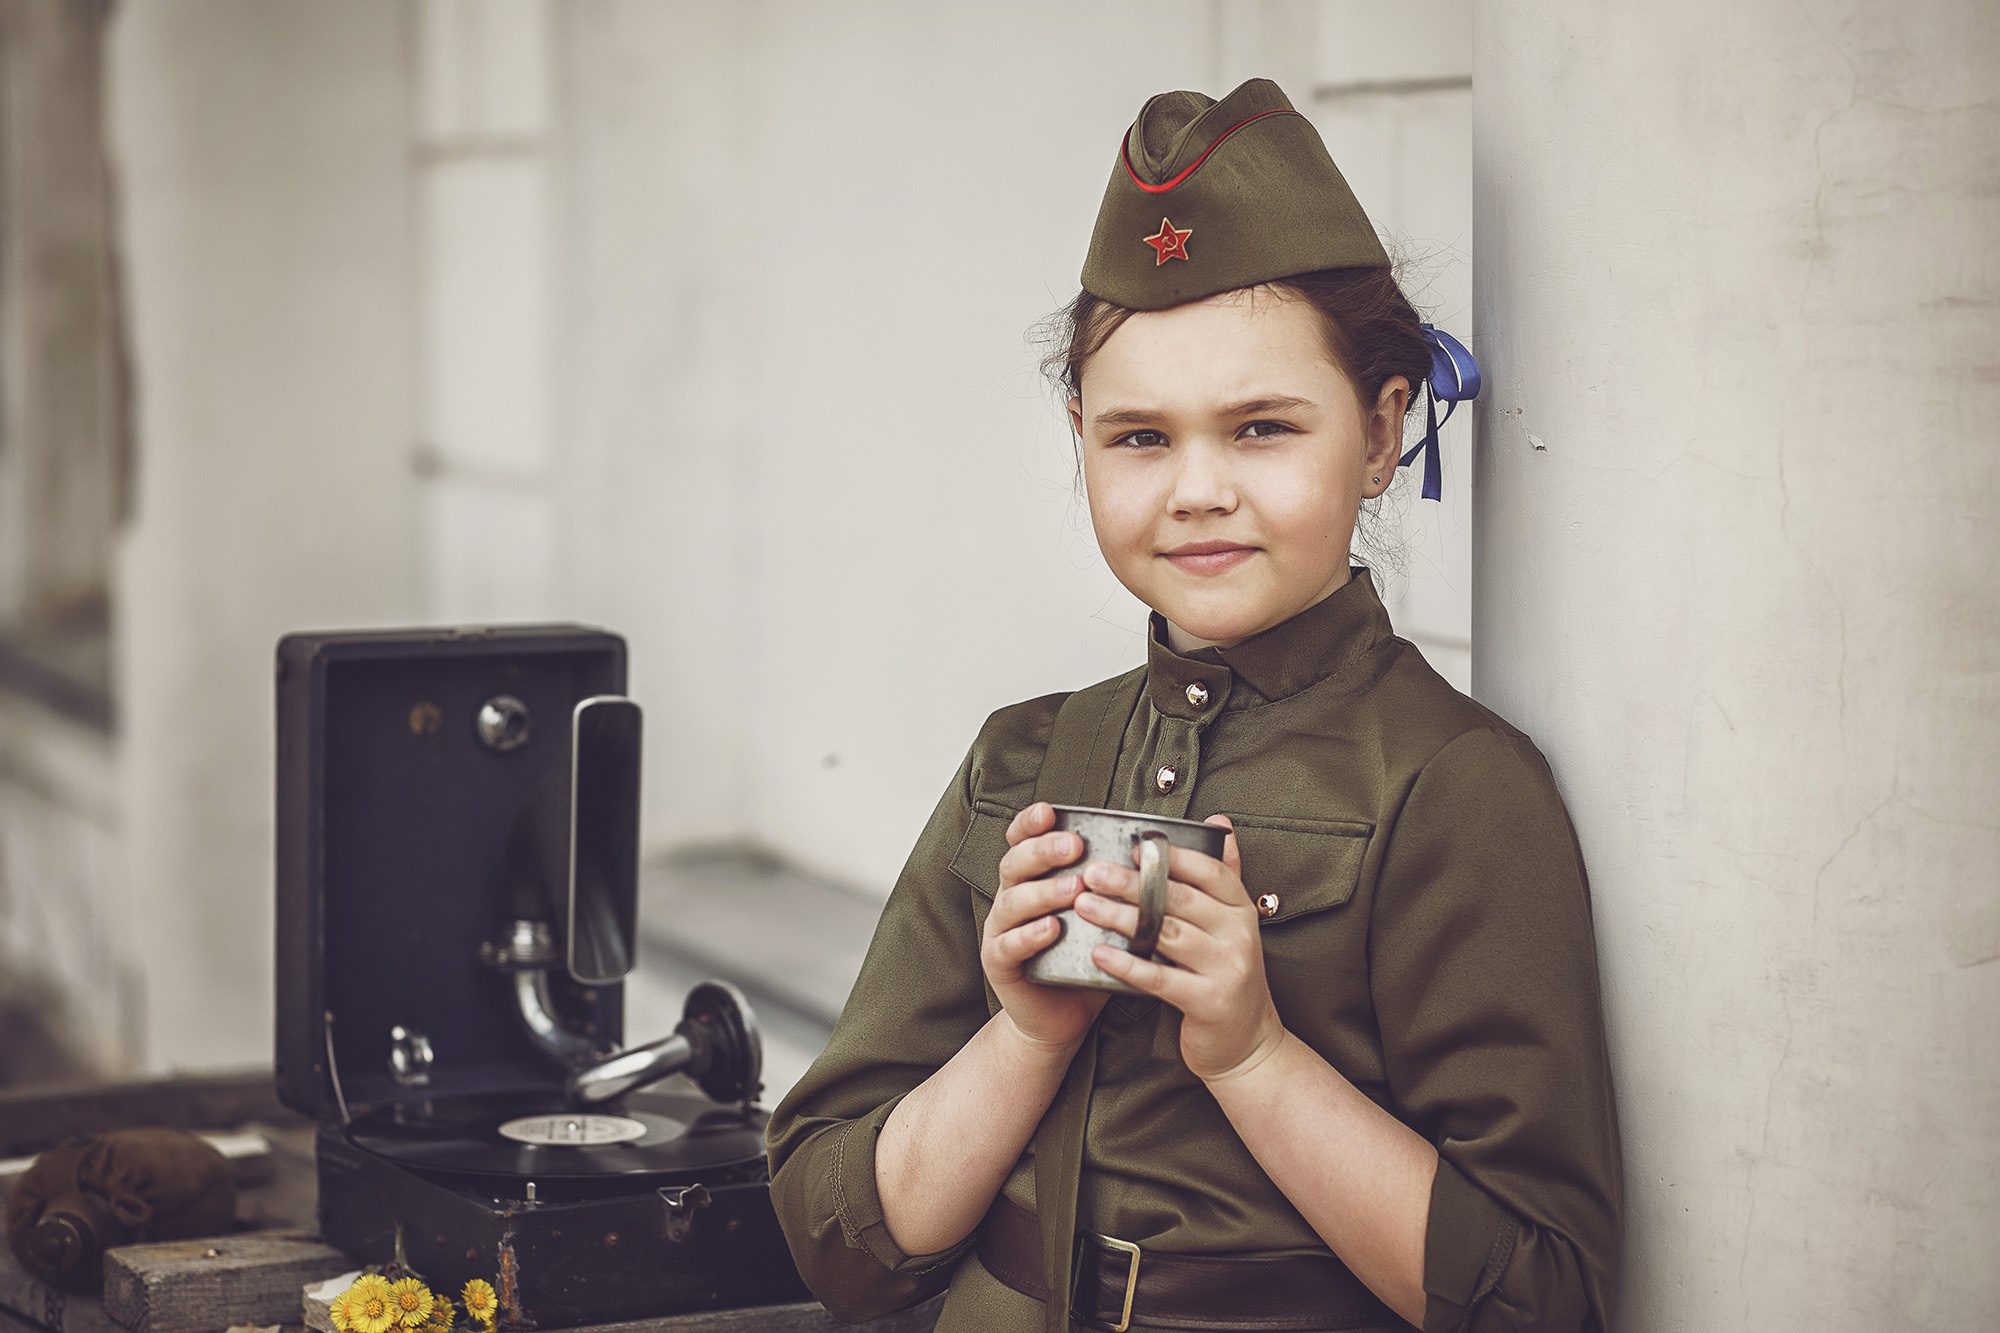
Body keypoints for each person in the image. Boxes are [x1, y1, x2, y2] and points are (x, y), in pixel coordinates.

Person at [766, 78, 1621, 1333]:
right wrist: (1023, 1034)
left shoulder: (1450, 786)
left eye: (1262, 427)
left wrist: (1254, 1055)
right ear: (1077, 434)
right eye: (1139, 438)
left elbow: (1539, 1297)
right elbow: (835, 1238)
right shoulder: (1019, 762)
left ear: (1382, 432)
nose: (1196, 490)